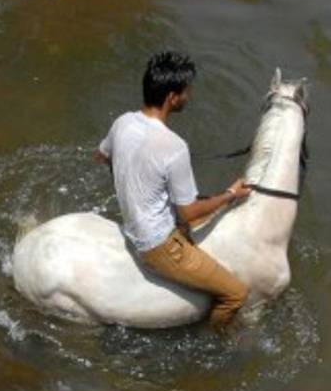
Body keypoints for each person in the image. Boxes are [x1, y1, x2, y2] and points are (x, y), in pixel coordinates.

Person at [96, 51, 251, 329]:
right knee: (236, 294)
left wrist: (133, 180)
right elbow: (190, 213)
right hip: (160, 247)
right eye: (186, 91)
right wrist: (231, 195)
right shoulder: (174, 145)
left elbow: (103, 156)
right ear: (172, 97)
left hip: (133, 225)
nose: (188, 96)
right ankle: (218, 343)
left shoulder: (123, 122)